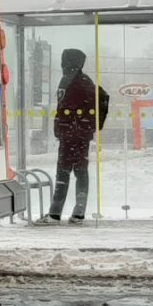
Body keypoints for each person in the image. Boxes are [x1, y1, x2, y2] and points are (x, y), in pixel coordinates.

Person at [35, 48, 109, 226]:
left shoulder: (77, 81)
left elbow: (101, 99)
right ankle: (76, 213)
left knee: (65, 173)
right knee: (78, 172)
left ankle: (55, 214)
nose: (62, 64)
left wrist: (80, 126)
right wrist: (87, 126)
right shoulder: (76, 80)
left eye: (64, 61)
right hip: (75, 136)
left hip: (72, 137)